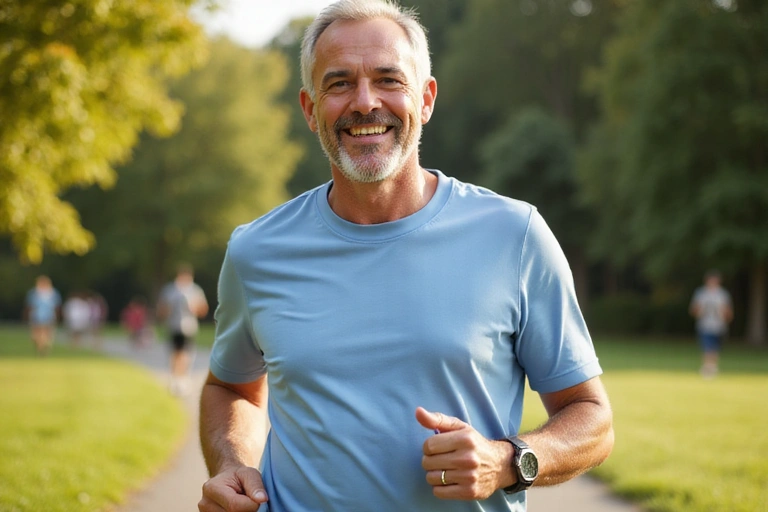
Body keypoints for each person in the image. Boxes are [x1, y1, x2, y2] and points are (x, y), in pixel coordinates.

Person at [198, 1, 614, 511]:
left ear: (427, 98)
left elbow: (591, 415)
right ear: (310, 109)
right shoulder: (256, 251)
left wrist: (509, 460)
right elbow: (231, 389)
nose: (365, 102)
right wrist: (232, 464)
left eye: (389, 79)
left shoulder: (514, 234)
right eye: (339, 83)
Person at [157, 264, 209, 395]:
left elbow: (203, 309)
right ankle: (175, 378)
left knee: (185, 353)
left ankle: (182, 377)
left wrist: (194, 307)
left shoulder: (195, 290)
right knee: (175, 352)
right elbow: (162, 309)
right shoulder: (170, 290)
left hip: (188, 326)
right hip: (173, 325)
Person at [689, 269, 733, 378]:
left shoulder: (722, 294)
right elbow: (693, 310)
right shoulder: (701, 293)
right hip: (705, 325)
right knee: (707, 347)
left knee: (715, 348)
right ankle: (707, 367)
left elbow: (728, 311)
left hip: (719, 325)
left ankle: (712, 366)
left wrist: (726, 316)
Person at [24, 275, 62, 356]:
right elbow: (29, 306)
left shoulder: (53, 293)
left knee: (46, 334)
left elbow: (57, 307)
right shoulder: (33, 293)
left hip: (48, 316)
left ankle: (43, 348)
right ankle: (41, 347)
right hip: (36, 317)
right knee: (35, 336)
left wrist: (58, 317)